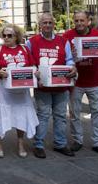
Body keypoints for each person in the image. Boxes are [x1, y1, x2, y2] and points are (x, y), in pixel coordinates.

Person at [26, 13, 76, 159]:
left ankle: (60, 144)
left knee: (60, 116)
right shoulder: (32, 41)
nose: (47, 25)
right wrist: (35, 72)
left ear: (54, 24)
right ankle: (38, 145)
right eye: (44, 23)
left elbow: (69, 60)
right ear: (39, 25)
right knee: (43, 115)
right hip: (43, 87)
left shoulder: (63, 41)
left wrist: (72, 67)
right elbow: (29, 61)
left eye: (50, 22)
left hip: (61, 86)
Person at [64, 11, 98, 156]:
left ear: (88, 21)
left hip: (94, 81)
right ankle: (77, 140)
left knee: (96, 112)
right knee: (74, 113)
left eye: (82, 20)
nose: (79, 23)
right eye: (76, 21)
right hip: (75, 82)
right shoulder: (67, 36)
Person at [0, 23, 38, 158]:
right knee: (3, 114)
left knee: (21, 115)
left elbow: (33, 66)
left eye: (9, 35)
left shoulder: (24, 49)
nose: (6, 38)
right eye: (4, 35)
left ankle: (20, 143)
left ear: (16, 36)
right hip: (5, 90)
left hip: (22, 90)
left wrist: (37, 73)